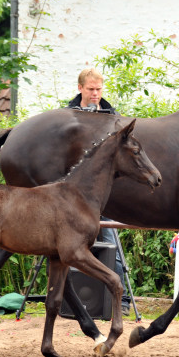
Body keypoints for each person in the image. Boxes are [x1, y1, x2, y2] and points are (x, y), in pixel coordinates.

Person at [68, 68, 130, 315]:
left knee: (111, 243)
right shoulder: (68, 115)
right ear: (80, 88)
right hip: (72, 197)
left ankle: (122, 303)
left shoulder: (112, 117)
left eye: (99, 89)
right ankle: (69, 303)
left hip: (99, 196)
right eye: (91, 89)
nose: (95, 94)